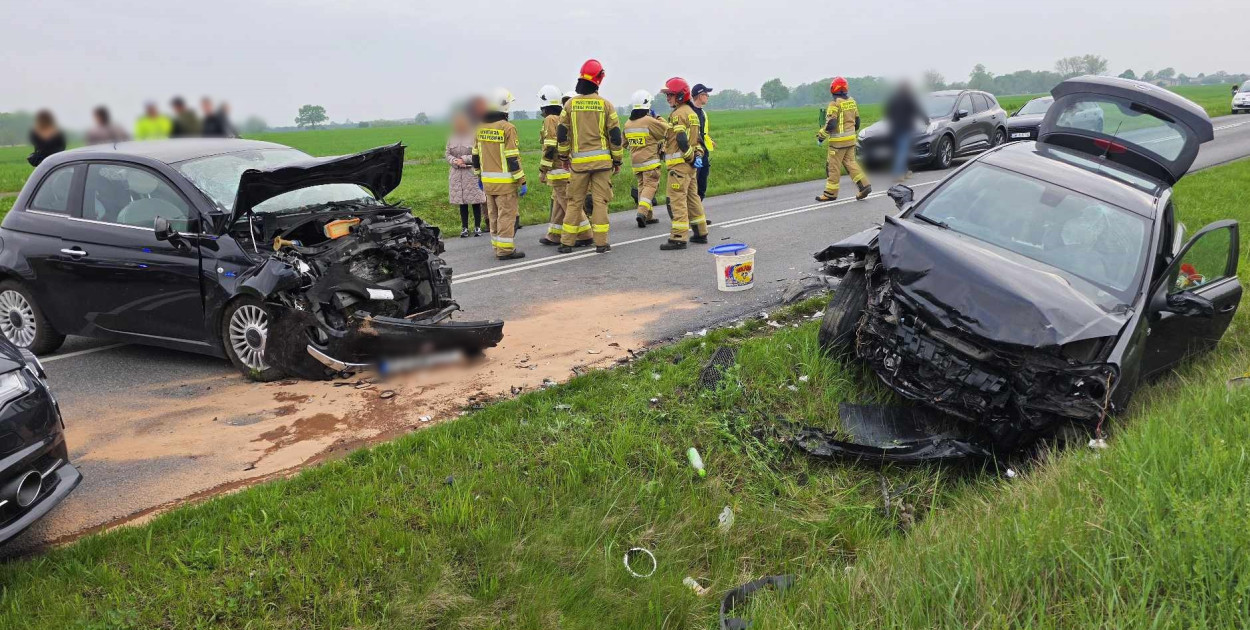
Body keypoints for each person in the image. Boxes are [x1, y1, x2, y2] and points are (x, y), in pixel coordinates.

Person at [556, 59, 623, 254]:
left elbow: (562, 134)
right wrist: (617, 160)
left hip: (578, 165)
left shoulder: (569, 105)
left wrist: (563, 157)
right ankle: (601, 243)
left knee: (574, 202)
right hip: (602, 164)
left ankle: (566, 243)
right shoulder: (606, 105)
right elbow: (615, 137)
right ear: (599, 79)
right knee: (600, 202)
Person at [472, 88, 527, 260]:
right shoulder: (507, 128)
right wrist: (522, 181)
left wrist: (478, 175)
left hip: (488, 183)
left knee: (494, 216)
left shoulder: (480, 127)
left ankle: (497, 247)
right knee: (506, 216)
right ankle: (505, 250)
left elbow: (475, 155)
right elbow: (512, 158)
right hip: (505, 184)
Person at [657, 77, 710, 250]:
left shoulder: (678, 114)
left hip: (679, 166)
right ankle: (701, 232)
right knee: (693, 198)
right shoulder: (692, 113)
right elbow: (698, 140)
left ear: (680, 95)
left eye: (670, 95)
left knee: (677, 200)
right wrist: (697, 158)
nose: (667, 98)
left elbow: (681, 139)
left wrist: (689, 157)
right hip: (690, 167)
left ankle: (678, 237)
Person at [537, 85, 586, 247]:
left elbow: (550, 147)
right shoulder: (562, 118)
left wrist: (543, 170)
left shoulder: (550, 119)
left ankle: (584, 234)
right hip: (565, 169)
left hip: (558, 170)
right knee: (559, 202)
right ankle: (554, 234)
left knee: (568, 204)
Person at [815, 76, 871, 202]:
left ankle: (830, 193)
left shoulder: (834, 104)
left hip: (837, 144)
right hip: (851, 140)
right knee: (851, 164)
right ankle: (865, 186)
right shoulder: (852, 101)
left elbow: (831, 124)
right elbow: (857, 122)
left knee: (833, 167)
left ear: (833, 89)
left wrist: (821, 136)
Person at [623, 90, 669, 228]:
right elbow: (668, 130)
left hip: (636, 163)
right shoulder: (649, 121)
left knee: (642, 188)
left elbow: (624, 143)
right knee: (651, 186)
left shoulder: (628, 123)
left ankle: (648, 216)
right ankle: (642, 213)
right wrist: (658, 117)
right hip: (650, 162)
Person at [446, 110, 487, 237]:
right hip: (457, 175)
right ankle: (464, 228)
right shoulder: (452, 137)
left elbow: (478, 153)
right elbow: (447, 154)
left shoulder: (473, 136)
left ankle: (477, 227)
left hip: (471, 173)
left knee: (476, 201)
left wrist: (464, 159)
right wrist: (455, 161)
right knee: (462, 203)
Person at [883, 82, 928, 182]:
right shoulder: (909, 98)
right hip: (904, 128)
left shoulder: (893, 99)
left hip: (894, 128)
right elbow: (917, 110)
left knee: (899, 150)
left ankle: (905, 171)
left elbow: (887, 113)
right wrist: (926, 120)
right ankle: (897, 174)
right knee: (902, 152)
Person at [690, 84, 715, 201]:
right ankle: (692, 210)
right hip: (695, 154)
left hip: (704, 153)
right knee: (693, 185)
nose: (708, 97)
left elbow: (702, 132)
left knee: (702, 185)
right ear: (700, 96)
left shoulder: (703, 113)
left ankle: (697, 209)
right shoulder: (690, 112)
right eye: (706, 94)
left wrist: (709, 140)